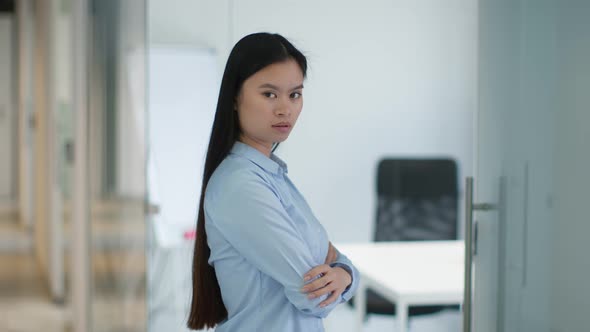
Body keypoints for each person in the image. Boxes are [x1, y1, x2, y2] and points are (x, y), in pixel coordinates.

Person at [187, 32, 359, 332]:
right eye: (269, 94)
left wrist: (343, 271)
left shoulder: (272, 177)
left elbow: (334, 260)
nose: (285, 109)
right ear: (234, 99)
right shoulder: (240, 186)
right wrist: (342, 274)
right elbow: (313, 295)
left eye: (294, 94)